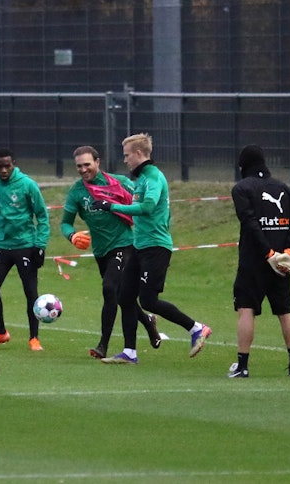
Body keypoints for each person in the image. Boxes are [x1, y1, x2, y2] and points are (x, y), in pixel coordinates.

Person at [91, 133, 212, 364]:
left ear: (138, 154)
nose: (125, 160)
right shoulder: (141, 179)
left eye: (127, 155)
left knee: (148, 301)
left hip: (156, 248)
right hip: (140, 246)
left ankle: (196, 327)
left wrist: (111, 206)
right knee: (124, 296)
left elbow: (147, 207)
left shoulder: (153, 177)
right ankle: (129, 352)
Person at [61, 145, 162, 359]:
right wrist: (72, 236)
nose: (83, 169)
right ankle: (148, 322)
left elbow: (142, 204)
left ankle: (102, 345)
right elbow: (65, 224)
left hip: (125, 244)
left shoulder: (119, 182)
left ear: (97, 162)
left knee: (109, 289)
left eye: (87, 164)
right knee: (120, 295)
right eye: (79, 166)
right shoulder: (77, 191)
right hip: (100, 251)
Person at [228, 145, 290, 378]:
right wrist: (288, 252)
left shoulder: (241, 189)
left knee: (246, 309)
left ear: (243, 166)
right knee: (285, 311)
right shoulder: (286, 189)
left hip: (254, 261)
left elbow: (250, 223)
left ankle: (242, 366)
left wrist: (268, 253)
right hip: (282, 262)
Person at [0, 148, 50, 351]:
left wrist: (40, 246)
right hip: (1, 245)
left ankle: (34, 338)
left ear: (14, 164)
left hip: (26, 246)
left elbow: (42, 216)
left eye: (7, 166)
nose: (3, 170)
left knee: (30, 292)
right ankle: (0, 332)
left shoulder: (27, 185)